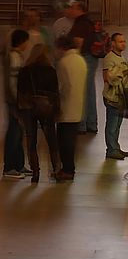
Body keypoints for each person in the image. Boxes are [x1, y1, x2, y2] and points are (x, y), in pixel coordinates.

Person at [17, 44, 60, 182]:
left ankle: (35, 172)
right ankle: (56, 169)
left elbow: (20, 91)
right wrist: (57, 109)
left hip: (29, 108)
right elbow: (55, 92)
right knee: (51, 141)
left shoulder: (25, 70)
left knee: (31, 141)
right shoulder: (50, 71)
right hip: (47, 109)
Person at [54, 36, 87, 182]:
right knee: (71, 140)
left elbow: (60, 87)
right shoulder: (81, 60)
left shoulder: (63, 62)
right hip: (78, 105)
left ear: (61, 47)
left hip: (65, 106)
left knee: (64, 141)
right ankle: (68, 168)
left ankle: (67, 170)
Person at [66, 1, 98, 134]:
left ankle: (81, 124)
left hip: (84, 58)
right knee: (89, 90)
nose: (69, 10)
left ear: (79, 9)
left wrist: (74, 59)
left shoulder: (81, 23)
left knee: (82, 90)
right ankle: (91, 123)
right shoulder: (89, 21)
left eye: (72, 8)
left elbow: (78, 43)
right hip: (92, 58)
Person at [3, 29, 31, 179]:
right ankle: (9, 167)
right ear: (22, 42)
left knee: (19, 133)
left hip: (16, 100)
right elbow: (13, 82)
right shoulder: (14, 57)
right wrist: (17, 100)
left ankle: (19, 165)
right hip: (15, 101)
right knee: (14, 133)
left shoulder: (16, 56)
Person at [102, 32, 128, 160]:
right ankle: (111, 149)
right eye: (120, 41)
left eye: (124, 41)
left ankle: (115, 147)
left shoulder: (121, 58)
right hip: (112, 97)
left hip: (120, 97)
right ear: (113, 43)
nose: (123, 44)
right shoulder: (109, 58)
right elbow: (106, 77)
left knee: (117, 124)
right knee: (112, 124)